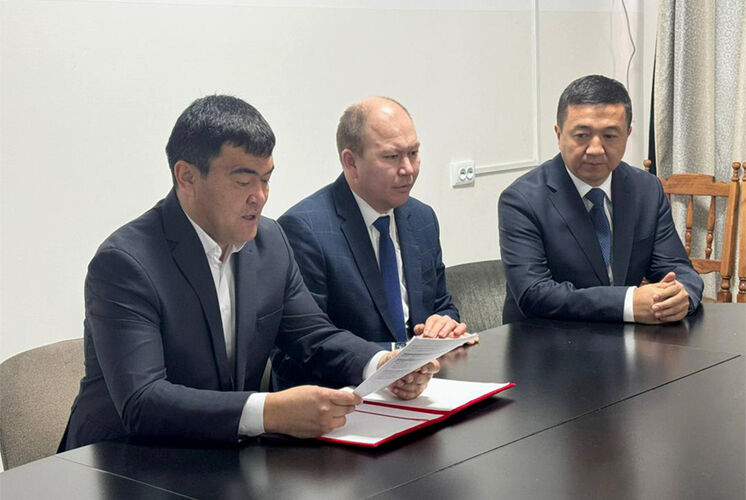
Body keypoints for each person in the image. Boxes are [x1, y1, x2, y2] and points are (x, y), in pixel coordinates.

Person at [59, 95, 439, 451]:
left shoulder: (270, 241)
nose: (260, 195)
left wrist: (382, 364)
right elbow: (142, 401)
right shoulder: (126, 263)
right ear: (186, 176)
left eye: (266, 178)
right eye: (243, 181)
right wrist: (268, 411)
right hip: (121, 460)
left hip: (219, 454)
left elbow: (314, 336)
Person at [271, 97, 468, 390]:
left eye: (413, 153)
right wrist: (387, 362)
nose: (408, 169)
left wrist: (444, 324)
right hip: (348, 393)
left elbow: (441, 304)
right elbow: (304, 345)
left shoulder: (421, 217)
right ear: (351, 162)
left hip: (424, 386)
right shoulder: (305, 229)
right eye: (392, 157)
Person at [498, 75, 703, 325]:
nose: (595, 149)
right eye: (581, 135)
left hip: (625, 339)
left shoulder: (646, 189)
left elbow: (678, 268)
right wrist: (627, 303)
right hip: (546, 340)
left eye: (610, 136)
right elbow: (533, 293)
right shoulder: (521, 200)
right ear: (559, 134)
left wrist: (681, 295)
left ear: (627, 134)